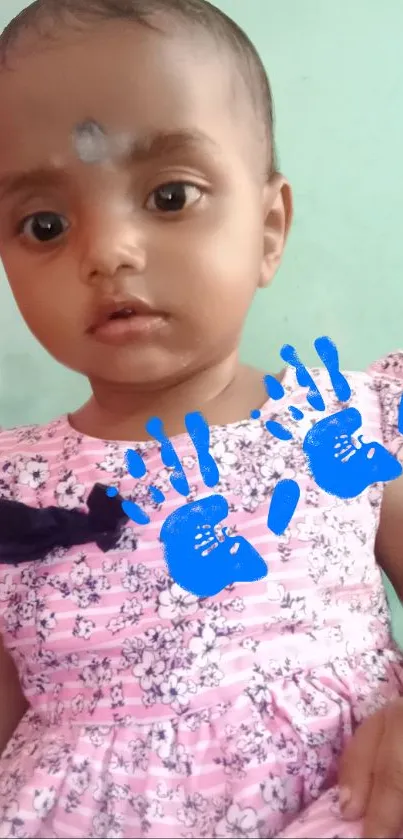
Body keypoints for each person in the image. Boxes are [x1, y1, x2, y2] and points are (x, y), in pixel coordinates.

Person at [0, 1, 403, 836]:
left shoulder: (351, 424)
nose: (107, 250)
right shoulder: (10, 492)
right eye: (45, 223)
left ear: (266, 228)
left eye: (170, 195)